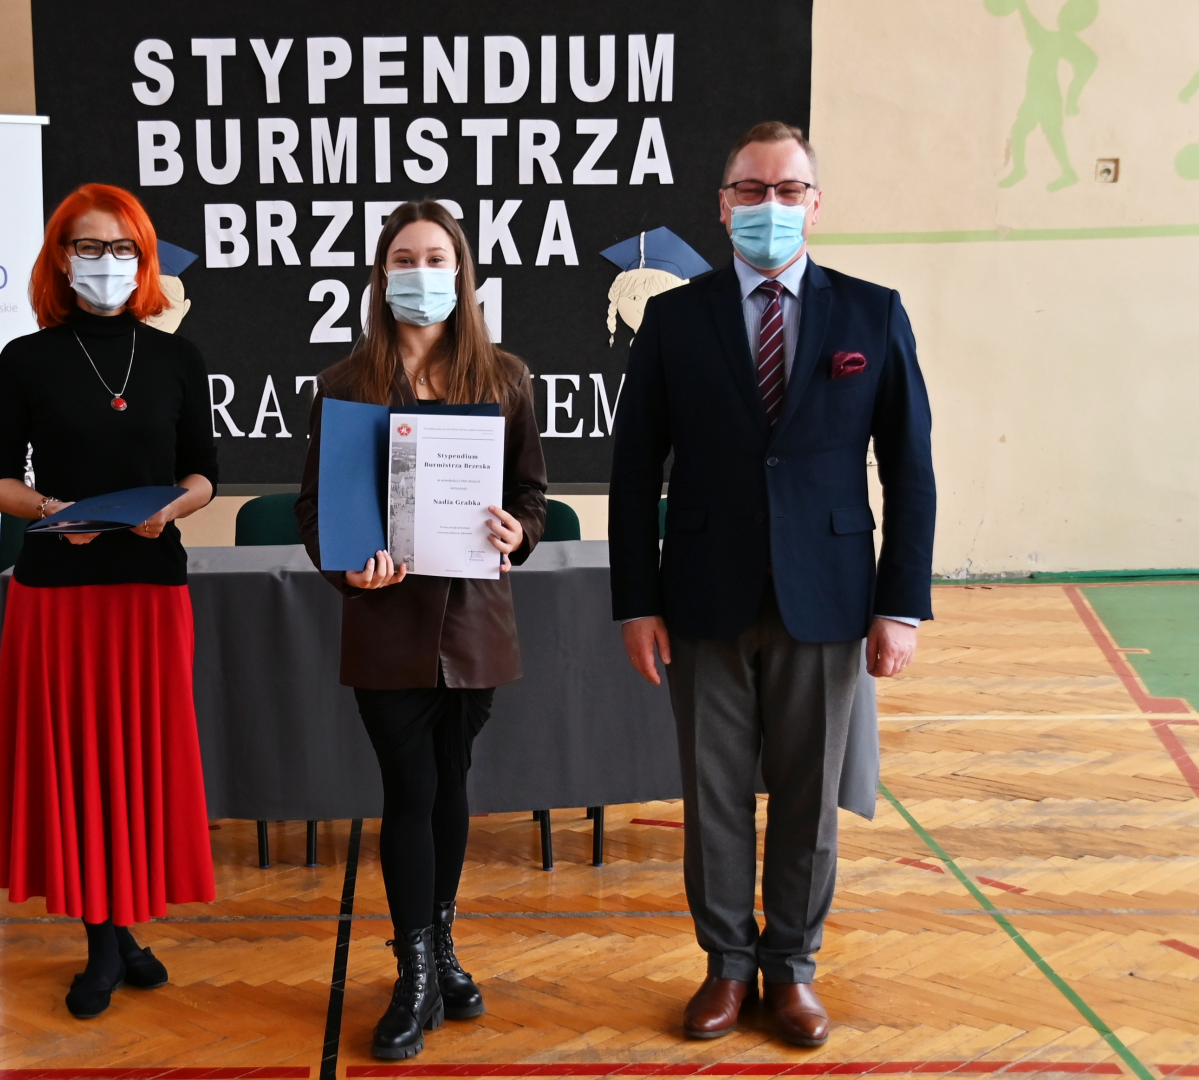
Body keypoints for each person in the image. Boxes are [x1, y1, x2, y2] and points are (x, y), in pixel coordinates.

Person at [608, 123, 935, 1046]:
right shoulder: (674, 318)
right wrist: (635, 601)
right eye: (749, 190)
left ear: (814, 205)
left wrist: (899, 604)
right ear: (722, 207)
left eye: (787, 190)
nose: (768, 205)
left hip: (827, 598)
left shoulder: (871, 313)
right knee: (713, 798)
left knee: (806, 799)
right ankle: (724, 965)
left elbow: (908, 469)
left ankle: (791, 968)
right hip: (700, 596)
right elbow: (633, 473)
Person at [295, 201, 548, 1060]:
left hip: (474, 624)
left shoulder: (504, 378)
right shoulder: (344, 385)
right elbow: (313, 510)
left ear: (461, 272)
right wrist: (347, 569)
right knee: (408, 790)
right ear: (380, 276)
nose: (420, 273)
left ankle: (441, 949)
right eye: (403, 259)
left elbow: (530, 494)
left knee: (452, 783)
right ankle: (411, 971)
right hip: (386, 622)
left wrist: (518, 530)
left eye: (436, 258)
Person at [0, 183, 219, 1020]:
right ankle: (104, 943)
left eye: (121, 248)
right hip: (58, 595)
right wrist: (51, 510)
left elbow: (203, 474)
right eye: (88, 246)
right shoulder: (26, 358)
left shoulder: (177, 358)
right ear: (60, 257)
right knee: (78, 768)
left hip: (150, 591)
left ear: (142, 259)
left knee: (139, 765)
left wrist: (172, 508)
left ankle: (123, 932)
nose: (105, 262)